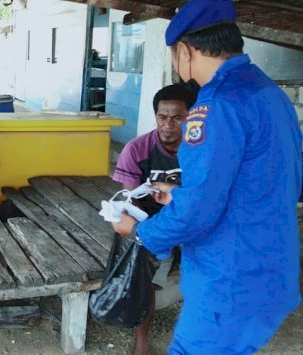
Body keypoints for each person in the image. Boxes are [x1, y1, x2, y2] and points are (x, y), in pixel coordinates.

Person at [112, 1, 302, 354]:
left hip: (229, 281)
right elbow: (271, 181)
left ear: (184, 51)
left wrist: (140, 232)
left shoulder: (215, 106)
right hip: (271, 269)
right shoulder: (270, 94)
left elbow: (199, 210)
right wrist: (178, 194)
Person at [112, 84, 196, 355]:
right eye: (162, 117)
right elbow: (126, 200)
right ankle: (141, 341)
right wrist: (130, 212)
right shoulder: (137, 149)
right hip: (152, 225)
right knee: (143, 273)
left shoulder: (201, 151)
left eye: (177, 117)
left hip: (193, 221)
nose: (168, 124)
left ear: (191, 117)